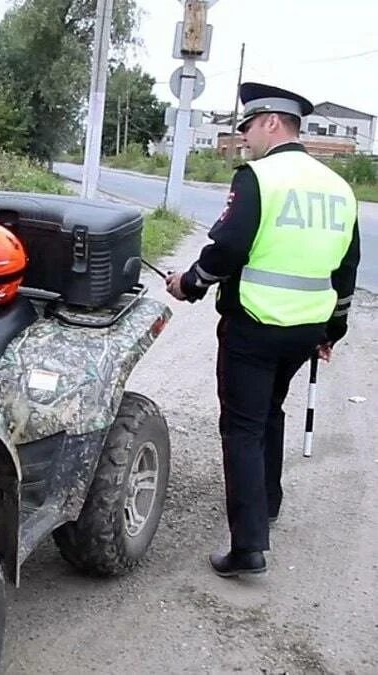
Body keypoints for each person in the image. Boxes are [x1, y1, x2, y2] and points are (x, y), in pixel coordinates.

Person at [165, 82, 360, 578]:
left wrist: (190, 283)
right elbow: (347, 270)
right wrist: (331, 332)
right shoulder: (339, 188)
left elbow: (229, 246)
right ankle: (267, 500)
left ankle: (249, 545)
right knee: (270, 411)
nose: (244, 136)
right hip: (305, 328)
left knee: (243, 426)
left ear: (272, 122)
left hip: (254, 323)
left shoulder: (258, 177)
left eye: (248, 126)